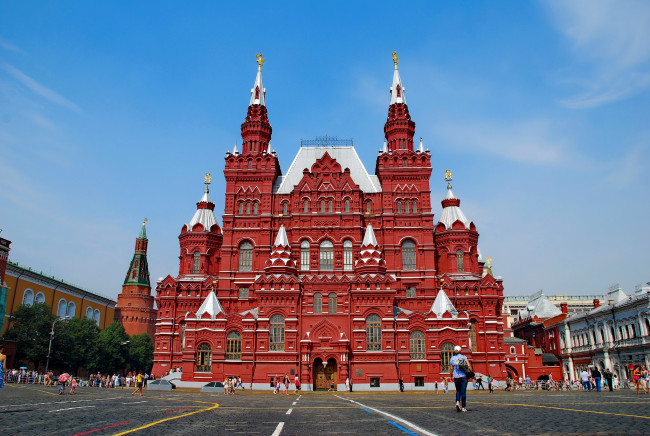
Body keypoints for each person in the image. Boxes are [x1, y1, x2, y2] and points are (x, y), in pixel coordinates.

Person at [449, 345, 471, 412]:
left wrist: (451, 376)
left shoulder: (452, 358)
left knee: (458, 391)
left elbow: (451, 368)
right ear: (460, 350)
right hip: (464, 376)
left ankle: (457, 402)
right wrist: (471, 372)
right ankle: (463, 407)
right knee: (463, 392)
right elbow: (469, 365)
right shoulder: (464, 357)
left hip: (456, 377)